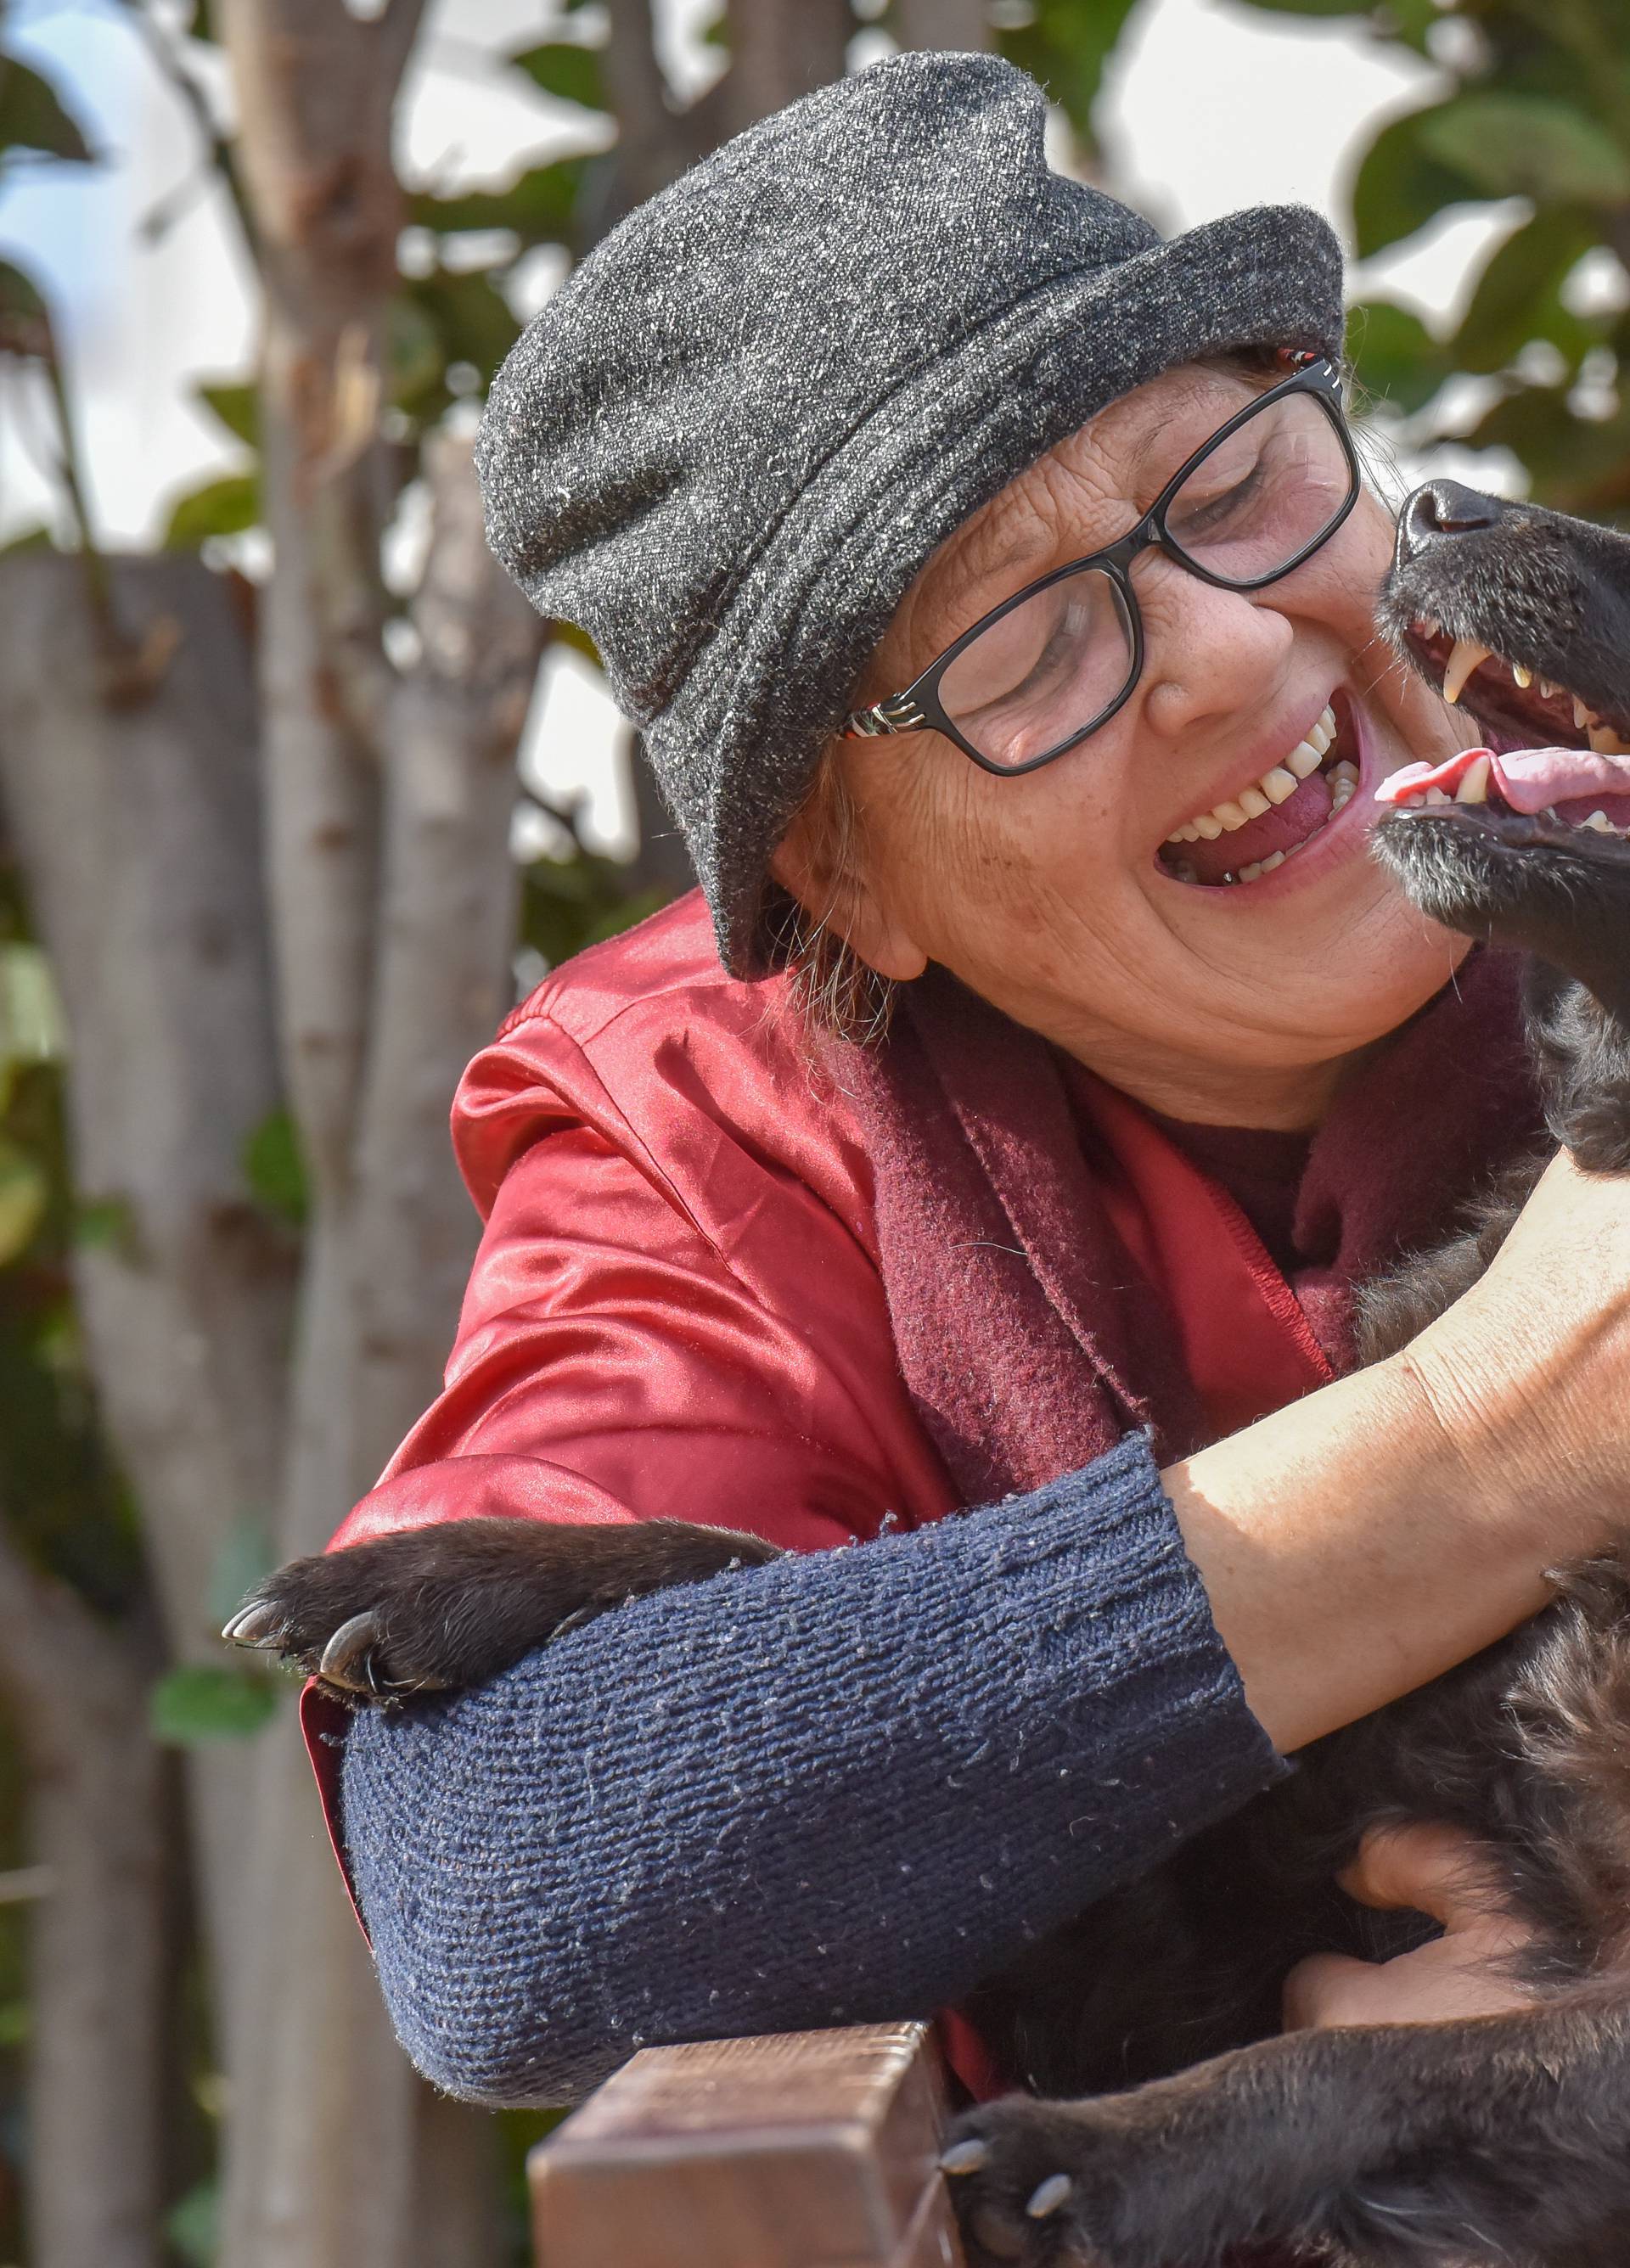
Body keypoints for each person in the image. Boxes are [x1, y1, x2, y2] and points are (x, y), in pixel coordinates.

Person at [311, 53, 1630, 2108]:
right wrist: (1498, 1434)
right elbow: (510, 1885)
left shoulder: (1595, 769)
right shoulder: (718, 1117)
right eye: (1020, 653)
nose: (1219, 647)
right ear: (846, 879)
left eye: (1242, 480)